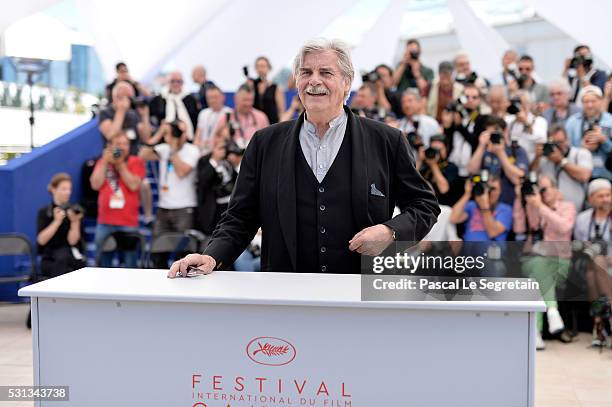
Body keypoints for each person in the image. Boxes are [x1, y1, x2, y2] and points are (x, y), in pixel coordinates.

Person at [168, 38, 440, 277]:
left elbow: (424, 205)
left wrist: (390, 232)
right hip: (285, 296)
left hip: (360, 296)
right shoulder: (264, 143)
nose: (314, 80)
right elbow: (240, 217)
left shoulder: (386, 141)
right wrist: (212, 256)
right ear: (297, 81)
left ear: (346, 84)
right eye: (306, 72)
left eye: (326, 72)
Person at [513, 175, 576, 350]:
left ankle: (535, 333)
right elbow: (518, 228)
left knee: (536, 281)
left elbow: (564, 227)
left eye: (544, 189)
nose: (540, 194)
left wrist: (540, 206)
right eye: (538, 190)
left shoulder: (567, 207)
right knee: (538, 265)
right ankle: (553, 312)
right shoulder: (532, 207)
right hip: (533, 258)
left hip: (559, 262)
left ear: (556, 189)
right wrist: (520, 200)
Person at [90, 133, 145, 267]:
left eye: (125, 144)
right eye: (118, 144)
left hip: (128, 222)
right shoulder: (102, 162)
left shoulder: (136, 161)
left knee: (131, 264)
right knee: (102, 264)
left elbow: (133, 185)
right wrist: (104, 162)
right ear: (110, 146)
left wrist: (120, 165)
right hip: (105, 221)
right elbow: (95, 184)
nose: (122, 147)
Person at [139, 120, 200, 236]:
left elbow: (181, 172)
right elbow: (143, 155)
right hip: (163, 207)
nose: (177, 135)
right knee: (157, 249)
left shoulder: (192, 150)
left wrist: (173, 148)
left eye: (180, 132)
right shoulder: (164, 148)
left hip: (184, 207)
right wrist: (159, 133)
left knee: (184, 249)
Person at [572, 179, 612, 347]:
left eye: (608, 195)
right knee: (594, 264)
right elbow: (577, 244)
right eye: (601, 196)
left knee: (592, 272)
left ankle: (599, 324)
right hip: (591, 263)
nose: (606, 199)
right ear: (591, 198)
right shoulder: (582, 219)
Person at [468, 116, 528, 205]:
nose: (493, 137)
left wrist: (501, 153)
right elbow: (471, 170)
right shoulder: (485, 151)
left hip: (509, 202)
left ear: (505, 131)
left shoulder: (516, 151)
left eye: (496, 133)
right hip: (485, 203)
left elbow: (518, 178)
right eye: (490, 134)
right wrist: (481, 146)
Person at [531, 125, 592, 211]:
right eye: (554, 143)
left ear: (567, 140)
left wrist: (561, 161)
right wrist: (537, 157)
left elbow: (584, 176)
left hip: (576, 211)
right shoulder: (544, 159)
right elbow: (532, 176)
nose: (557, 147)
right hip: (550, 212)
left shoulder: (580, 154)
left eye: (560, 142)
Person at [37, 173, 86, 278]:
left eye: (69, 189)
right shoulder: (44, 212)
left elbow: (72, 241)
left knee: (66, 259)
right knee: (61, 262)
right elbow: (41, 240)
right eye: (64, 189)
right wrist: (56, 222)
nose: (67, 192)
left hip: (69, 257)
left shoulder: (75, 211)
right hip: (51, 258)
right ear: (53, 189)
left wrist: (75, 222)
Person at [565, 85, 612, 180]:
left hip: (606, 172)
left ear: (601, 101)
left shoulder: (610, 120)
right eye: (586, 102)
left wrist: (603, 140)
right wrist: (581, 148)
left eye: (593, 101)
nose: (590, 105)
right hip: (580, 172)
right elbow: (566, 148)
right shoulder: (572, 121)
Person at [450, 174, 513, 242]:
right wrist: (467, 194)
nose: (489, 192)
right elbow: (454, 218)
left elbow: (492, 232)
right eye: (486, 188)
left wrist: (484, 206)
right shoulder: (472, 205)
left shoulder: (506, 209)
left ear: (500, 191)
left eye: (493, 189)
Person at [195, 140, 239, 235]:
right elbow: (203, 181)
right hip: (215, 207)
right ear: (213, 149)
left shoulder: (227, 162)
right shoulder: (204, 161)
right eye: (220, 148)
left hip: (230, 202)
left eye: (224, 148)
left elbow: (236, 179)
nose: (222, 151)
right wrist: (214, 160)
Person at [98, 81, 152, 155]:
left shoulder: (133, 114)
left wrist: (145, 116)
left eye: (130, 97)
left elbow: (146, 137)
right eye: (123, 97)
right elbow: (110, 135)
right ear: (115, 97)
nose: (127, 100)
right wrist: (121, 111)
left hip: (134, 155)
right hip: (115, 154)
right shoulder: (105, 113)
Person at [212, 84, 269, 148]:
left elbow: (267, 142)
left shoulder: (261, 117)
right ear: (235, 98)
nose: (248, 104)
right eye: (245, 100)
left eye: (250, 100)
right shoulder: (226, 118)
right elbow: (214, 142)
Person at [149, 71, 199, 140]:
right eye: (172, 81)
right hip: (163, 137)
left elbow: (195, 120)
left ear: (182, 83)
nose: (175, 84)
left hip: (187, 137)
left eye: (178, 81)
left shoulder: (190, 99)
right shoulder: (159, 99)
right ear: (168, 82)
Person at [416, 134, 460, 206]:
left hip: (444, 207)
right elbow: (410, 180)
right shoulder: (425, 166)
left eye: (439, 150)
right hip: (424, 205)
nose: (436, 153)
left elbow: (444, 189)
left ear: (446, 150)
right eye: (433, 150)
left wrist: (433, 165)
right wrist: (420, 160)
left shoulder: (451, 167)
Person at [506, 91, 548, 163]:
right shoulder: (509, 121)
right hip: (511, 161)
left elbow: (541, 138)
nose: (518, 106)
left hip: (530, 162)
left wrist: (525, 122)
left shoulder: (539, 121)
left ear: (529, 104)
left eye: (521, 103)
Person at [193, 86, 232, 153]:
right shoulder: (203, 113)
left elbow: (227, 138)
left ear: (223, 97)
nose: (212, 100)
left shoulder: (229, 113)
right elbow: (197, 136)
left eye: (215, 97)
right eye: (209, 98)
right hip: (202, 151)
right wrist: (199, 145)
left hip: (219, 151)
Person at [252, 56, 285, 124]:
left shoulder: (276, 88)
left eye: (263, 66)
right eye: (258, 66)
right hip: (255, 125)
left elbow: (281, 111)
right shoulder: (252, 86)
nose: (260, 69)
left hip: (271, 124)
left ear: (269, 68)